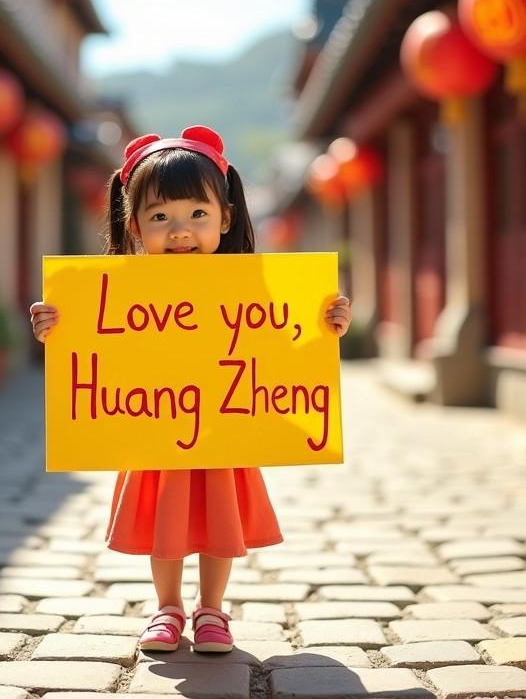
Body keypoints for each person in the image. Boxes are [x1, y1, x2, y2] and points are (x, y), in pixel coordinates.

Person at [29, 125, 351, 654]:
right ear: (135, 227)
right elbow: (99, 350)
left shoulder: (248, 287)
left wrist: (327, 323)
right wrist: (56, 327)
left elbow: (283, 346)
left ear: (225, 219)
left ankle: (212, 610)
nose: (180, 230)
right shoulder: (117, 292)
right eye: (161, 217)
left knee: (218, 520)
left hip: (225, 427)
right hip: (156, 429)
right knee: (166, 521)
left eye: (197, 214)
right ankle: (167, 607)